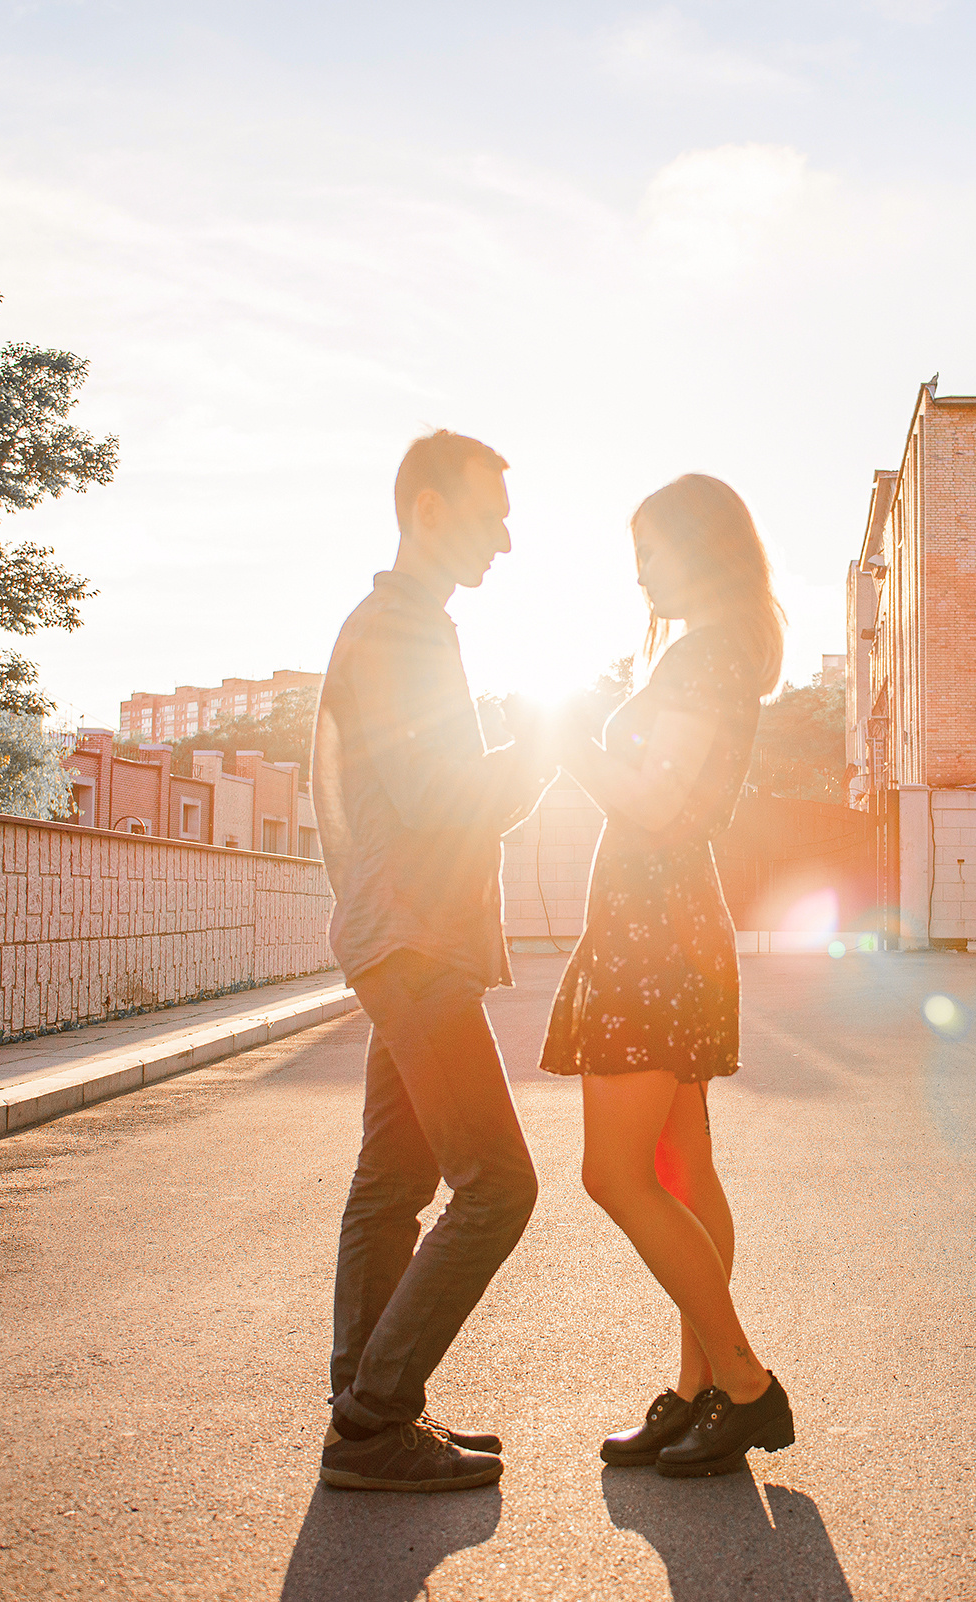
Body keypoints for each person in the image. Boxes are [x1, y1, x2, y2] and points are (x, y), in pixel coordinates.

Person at [540, 473, 797, 1478]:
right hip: (666, 928)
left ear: (700, 547)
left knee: (615, 1173)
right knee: (684, 1170)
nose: (638, 569)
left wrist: (572, 743)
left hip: (653, 940)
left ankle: (742, 1383)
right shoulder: (717, 652)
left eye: (650, 548)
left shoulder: (705, 655)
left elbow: (656, 804)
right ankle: (697, 1394)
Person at [313, 430, 555, 1493]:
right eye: (490, 513)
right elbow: (445, 798)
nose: (506, 537)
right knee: (498, 1186)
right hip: (414, 942)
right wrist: (546, 749)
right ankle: (372, 1418)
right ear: (424, 508)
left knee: (395, 1178)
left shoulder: (400, 627)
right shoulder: (403, 631)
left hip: (399, 935)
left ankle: (366, 1409)